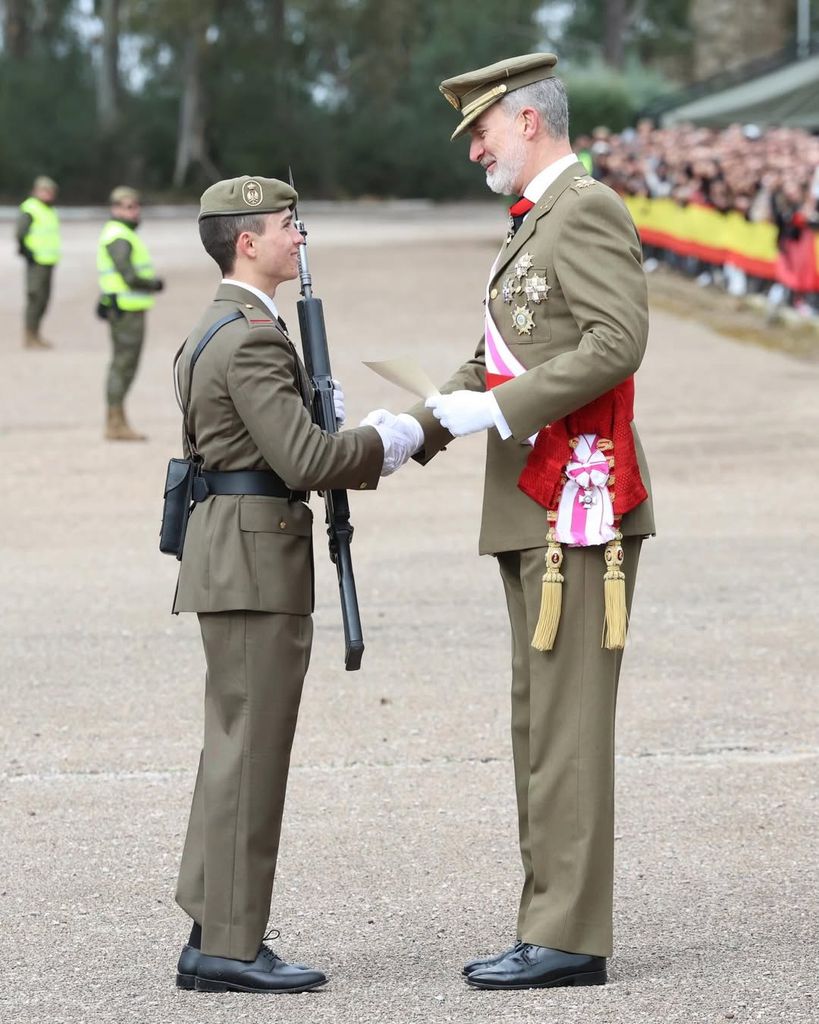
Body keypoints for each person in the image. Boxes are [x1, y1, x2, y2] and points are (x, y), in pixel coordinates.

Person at [363, 53, 654, 990]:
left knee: (565, 728)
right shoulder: (535, 222)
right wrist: (420, 424)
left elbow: (618, 341)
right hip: (534, 497)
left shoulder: (588, 207)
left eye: (481, 130)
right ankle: (547, 923)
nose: (474, 149)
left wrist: (504, 406)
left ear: (527, 121)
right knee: (540, 726)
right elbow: (498, 353)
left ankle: (569, 936)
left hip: (580, 499)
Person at [171, 175, 418, 994]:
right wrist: (389, 439)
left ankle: (217, 922)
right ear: (247, 240)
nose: (297, 237)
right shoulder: (249, 337)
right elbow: (306, 462)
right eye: (286, 225)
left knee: (233, 748)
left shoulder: (223, 327)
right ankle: (230, 948)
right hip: (253, 561)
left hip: (235, 555)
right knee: (252, 754)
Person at [96, 186, 164, 440]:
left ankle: (117, 418)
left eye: (135, 206)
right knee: (123, 364)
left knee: (124, 364)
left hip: (126, 307)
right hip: (126, 310)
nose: (133, 210)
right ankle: (114, 422)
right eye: (127, 206)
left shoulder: (121, 233)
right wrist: (153, 284)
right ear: (115, 209)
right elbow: (128, 275)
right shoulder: (119, 236)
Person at [17, 175, 61, 349]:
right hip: (36, 261)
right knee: (35, 297)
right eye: (44, 190)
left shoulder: (50, 210)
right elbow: (20, 233)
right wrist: (27, 252)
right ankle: (29, 335)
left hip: (49, 260)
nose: (48, 194)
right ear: (36, 191)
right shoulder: (30, 208)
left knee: (44, 299)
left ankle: (36, 333)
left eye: (50, 191)